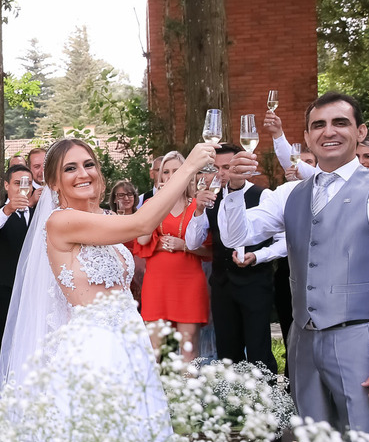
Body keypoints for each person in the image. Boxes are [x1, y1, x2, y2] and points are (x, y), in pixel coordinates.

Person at [0, 138, 214, 442]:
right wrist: (189, 167)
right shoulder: (60, 222)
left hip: (130, 343)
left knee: (138, 438)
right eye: (70, 168)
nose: (82, 173)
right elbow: (143, 221)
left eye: (88, 164)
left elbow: (146, 232)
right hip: (94, 349)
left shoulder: (106, 221)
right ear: (53, 183)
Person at [225, 92, 369, 442]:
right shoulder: (289, 194)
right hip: (302, 343)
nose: (328, 131)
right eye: (318, 125)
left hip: (361, 340)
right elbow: (236, 236)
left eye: (340, 122)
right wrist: (235, 190)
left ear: (360, 132)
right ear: (307, 136)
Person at [185, 145, 285, 373]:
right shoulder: (212, 198)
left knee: (258, 349)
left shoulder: (263, 196)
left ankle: (264, 392)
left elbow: (285, 241)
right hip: (222, 284)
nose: (221, 173)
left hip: (255, 283)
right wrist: (198, 210)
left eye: (227, 167)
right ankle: (232, 394)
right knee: (227, 352)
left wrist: (258, 255)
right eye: (216, 168)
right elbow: (192, 243)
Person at [134, 152, 211, 356]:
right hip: (157, 282)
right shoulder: (151, 204)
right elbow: (142, 240)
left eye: (176, 171)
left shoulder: (197, 205)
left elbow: (210, 250)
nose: (170, 176)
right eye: (166, 172)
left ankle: (188, 379)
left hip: (189, 281)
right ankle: (159, 379)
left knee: (189, 346)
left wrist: (184, 246)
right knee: (157, 350)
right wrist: (159, 202)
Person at [0, 164, 32, 371]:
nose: (22, 188)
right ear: (6, 185)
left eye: (27, 184)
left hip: (32, 293)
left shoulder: (38, 215)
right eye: (17, 183)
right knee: (1, 341)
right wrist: (9, 209)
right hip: (5, 291)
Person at [108, 180, 144, 303]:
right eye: (121, 195)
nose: (126, 198)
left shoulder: (141, 218)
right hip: (117, 270)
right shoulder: (109, 219)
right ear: (114, 199)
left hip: (140, 270)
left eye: (130, 194)